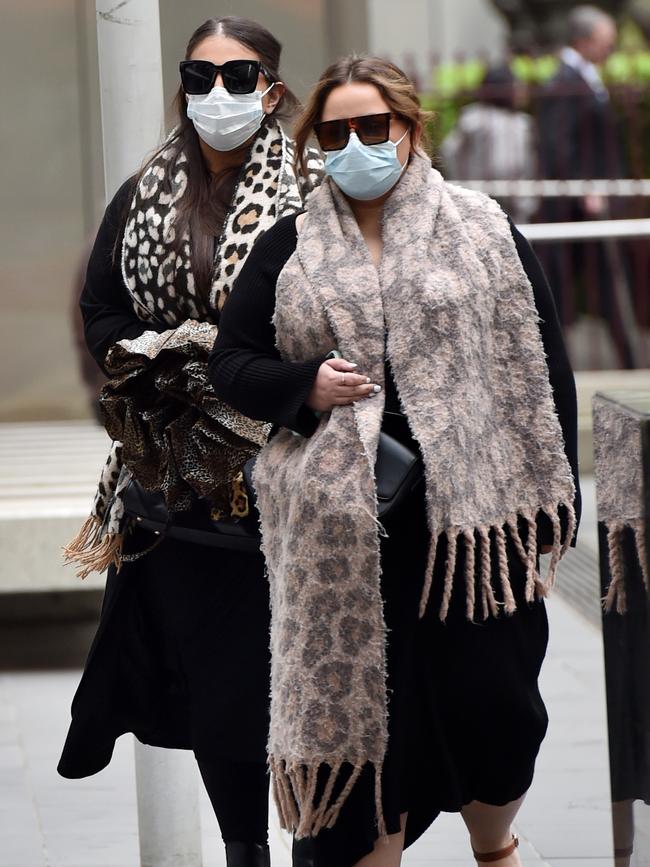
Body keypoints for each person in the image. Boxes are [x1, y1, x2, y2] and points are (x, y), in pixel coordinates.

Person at [209, 56, 582, 867]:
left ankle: (496, 844)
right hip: (347, 530)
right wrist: (303, 384)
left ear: (409, 129)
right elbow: (230, 364)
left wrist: (557, 517)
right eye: (334, 133)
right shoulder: (290, 244)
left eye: (372, 127)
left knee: (499, 704)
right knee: (370, 721)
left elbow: (544, 372)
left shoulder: (483, 226)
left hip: (475, 529)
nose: (354, 145)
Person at [58, 16, 322, 867]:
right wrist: (159, 362)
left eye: (240, 77)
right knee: (217, 680)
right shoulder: (143, 194)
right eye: (200, 76)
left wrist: (243, 374)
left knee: (304, 673)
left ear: (273, 90)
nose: (218, 94)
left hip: (291, 462)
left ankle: (320, 834)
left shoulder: (315, 193)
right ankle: (244, 846)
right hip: (181, 477)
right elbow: (100, 310)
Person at [536, 6, 635, 367]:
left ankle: (627, 357)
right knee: (569, 286)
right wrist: (583, 188)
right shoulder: (564, 80)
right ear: (585, 40)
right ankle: (624, 359)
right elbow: (558, 143)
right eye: (604, 40)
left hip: (584, 203)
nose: (609, 48)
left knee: (595, 284)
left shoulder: (582, 76)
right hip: (573, 206)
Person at [441, 65, 538, 224]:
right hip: (494, 199)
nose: (521, 91)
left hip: (485, 199)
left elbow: (449, 152)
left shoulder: (520, 123)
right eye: (516, 85)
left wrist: (461, 182)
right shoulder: (475, 119)